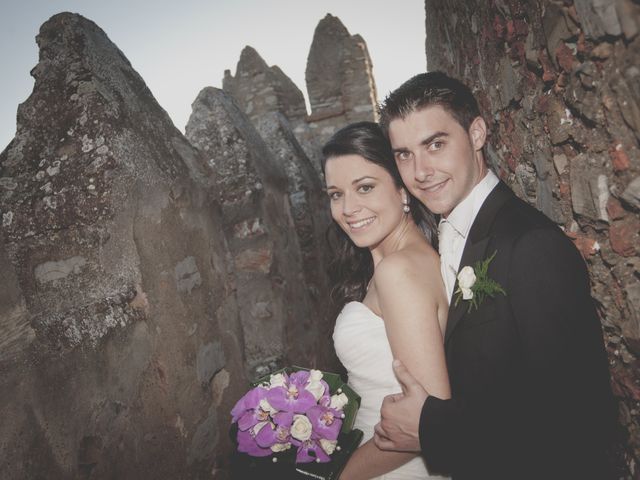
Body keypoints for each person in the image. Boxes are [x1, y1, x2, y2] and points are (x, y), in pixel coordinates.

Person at [372, 72, 616, 478]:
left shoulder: (530, 244)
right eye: (404, 154)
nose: (420, 171)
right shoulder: (436, 238)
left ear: (478, 133)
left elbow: (580, 421)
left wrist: (430, 426)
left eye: (435, 144)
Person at [323, 122, 451, 479]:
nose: (348, 208)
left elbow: (424, 422)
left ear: (402, 188)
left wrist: (340, 477)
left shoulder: (399, 271)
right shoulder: (392, 263)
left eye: (365, 187)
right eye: (336, 194)